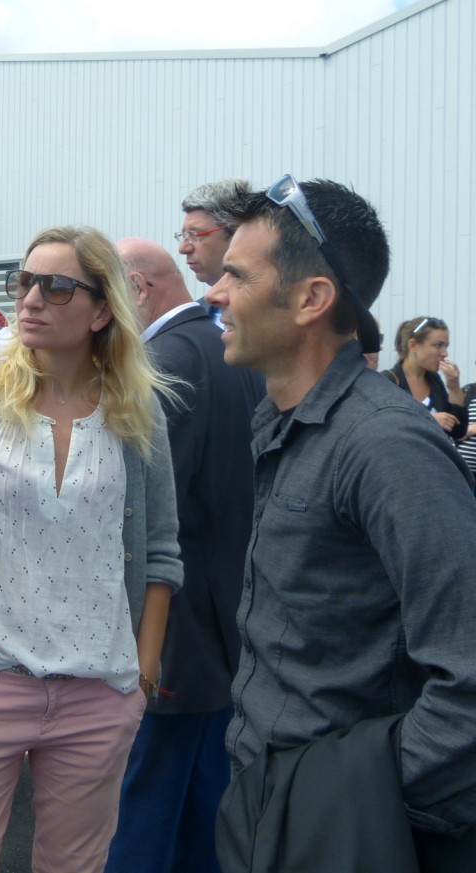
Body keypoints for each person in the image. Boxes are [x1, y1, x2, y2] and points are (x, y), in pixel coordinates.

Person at [206, 176, 476, 862]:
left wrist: (365, 793)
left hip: (344, 823)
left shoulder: (385, 446)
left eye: (235, 275)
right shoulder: (279, 423)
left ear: (312, 299)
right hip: (263, 797)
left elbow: (468, 672)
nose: (214, 292)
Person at [0, 225, 183, 873]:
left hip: (99, 690)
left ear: (103, 309)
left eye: (56, 287)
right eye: (24, 282)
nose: (30, 299)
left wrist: (140, 674)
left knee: (74, 865)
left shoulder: (135, 412)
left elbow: (162, 549)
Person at [107, 238, 264, 873]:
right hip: (226, 618)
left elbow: (145, 516)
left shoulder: (160, 363)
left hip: (167, 625)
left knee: (140, 808)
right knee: (204, 810)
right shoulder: (232, 355)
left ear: (139, 291)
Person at [176, 179, 251, 326]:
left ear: (237, 233)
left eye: (196, 235)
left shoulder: (278, 314)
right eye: (183, 236)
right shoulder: (193, 320)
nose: (183, 249)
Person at [384, 316, 468, 440]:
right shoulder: (388, 381)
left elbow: (458, 431)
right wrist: (428, 419)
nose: (445, 353)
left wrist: (454, 388)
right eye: (438, 345)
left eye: (446, 346)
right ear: (413, 345)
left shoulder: (434, 380)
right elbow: (382, 427)